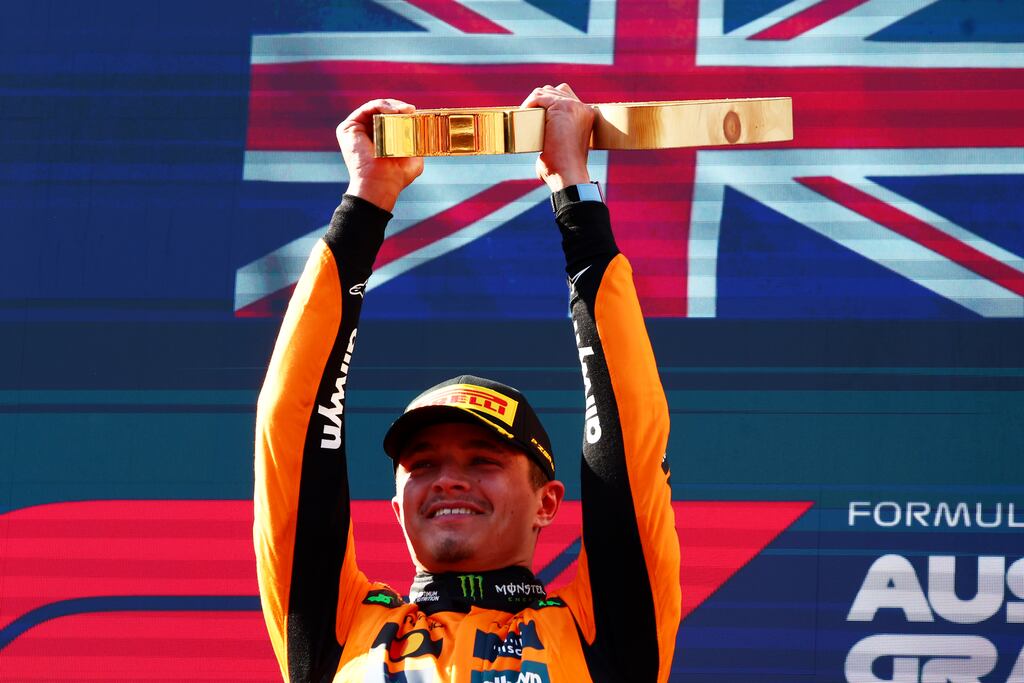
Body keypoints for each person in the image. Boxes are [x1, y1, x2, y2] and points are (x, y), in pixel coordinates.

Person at [254, 83, 680, 683]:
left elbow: (629, 443)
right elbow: (293, 428)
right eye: (421, 465)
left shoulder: (599, 636)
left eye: (483, 460)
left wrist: (576, 200)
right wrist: (367, 201)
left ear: (548, 503)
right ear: (396, 504)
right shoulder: (341, 628)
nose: (447, 478)